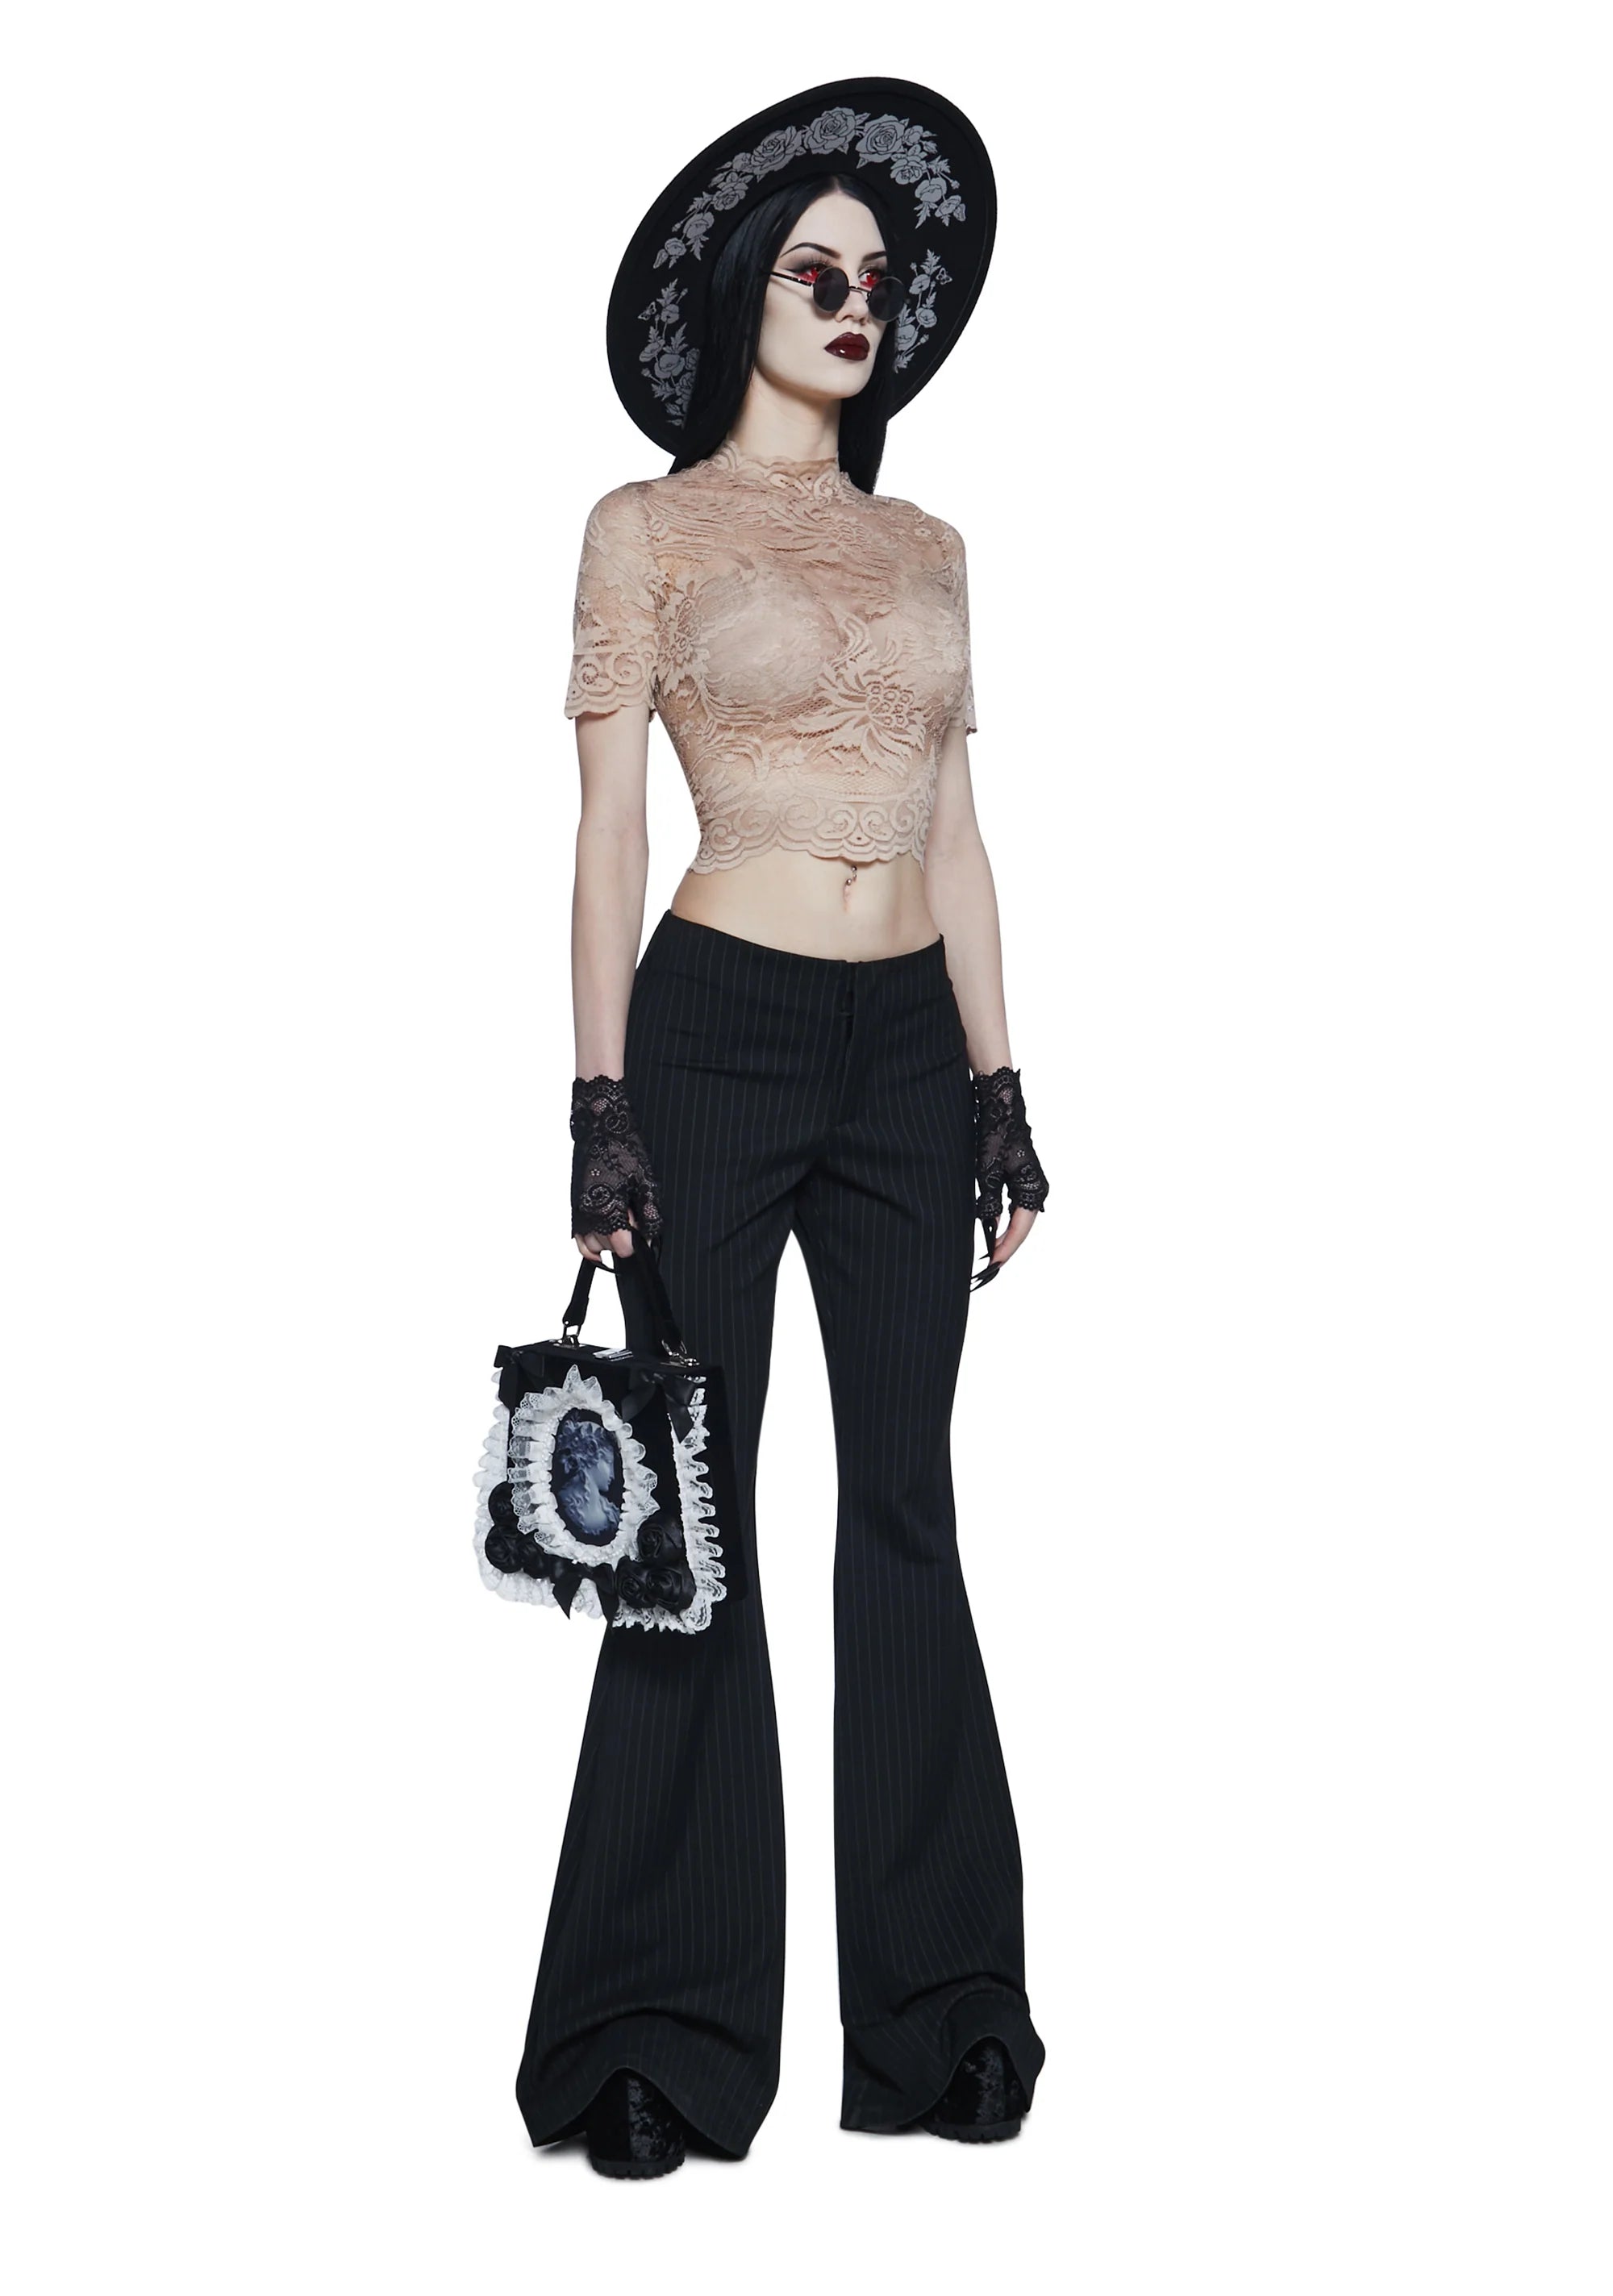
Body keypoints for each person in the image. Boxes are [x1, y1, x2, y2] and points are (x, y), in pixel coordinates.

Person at [515, 79, 1051, 2178]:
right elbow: (603, 831)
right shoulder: (644, 531)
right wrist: (600, 1100)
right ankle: (651, 2028)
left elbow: (962, 829)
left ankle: (949, 2014)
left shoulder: (932, 550)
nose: (854, 303)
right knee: (692, 1520)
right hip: (719, 1025)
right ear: (745, 290)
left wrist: (1001, 1083)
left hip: (909, 1046)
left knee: (908, 1503)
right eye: (815, 271)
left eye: (878, 280)